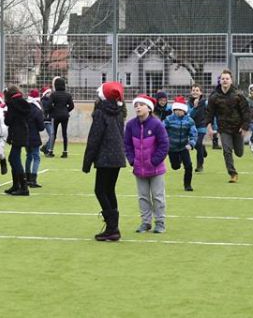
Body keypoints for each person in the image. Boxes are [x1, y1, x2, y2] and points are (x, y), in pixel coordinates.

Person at [82, 82, 126, 241]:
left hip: (105, 157)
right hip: (117, 156)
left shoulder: (101, 113)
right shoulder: (120, 111)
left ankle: (112, 228)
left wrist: (87, 161)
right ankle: (113, 227)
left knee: (100, 190)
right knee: (109, 190)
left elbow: (95, 137)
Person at [124, 94, 169, 234]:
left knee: (157, 196)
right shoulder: (131, 125)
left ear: (149, 108)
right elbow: (127, 145)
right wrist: (132, 160)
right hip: (139, 168)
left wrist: (154, 161)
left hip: (156, 169)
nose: (137, 107)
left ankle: (160, 222)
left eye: (141, 105)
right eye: (136, 105)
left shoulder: (157, 124)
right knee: (143, 197)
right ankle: (145, 222)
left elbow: (164, 144)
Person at [207, 69, 251, 183]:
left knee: (239, 153)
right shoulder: (214, 96)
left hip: (238, 127)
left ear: (231, 81)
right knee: (226, 150)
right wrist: (209, 127)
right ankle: (233, 173)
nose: (225, 81)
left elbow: (246, 112)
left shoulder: (238, 95)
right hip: (223, 128)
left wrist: (245, 127)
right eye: (223, 79)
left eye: (227, 79)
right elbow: (209, 113)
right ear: (220, 81)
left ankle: (239, 146)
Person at [2, 86, 31, 196]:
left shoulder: (12, 104)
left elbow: (8, 121)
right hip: (22, 132)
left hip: (16, 133)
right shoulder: (22, 102)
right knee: (14, 158)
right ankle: (16, 185)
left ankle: (23, 187)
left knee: (14, 159)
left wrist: (6, 115)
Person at [164, 96, 197, 191]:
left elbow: (193, 134)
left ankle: (187, 185)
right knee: (175, 167)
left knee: (189, 166)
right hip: (171, 148)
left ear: (184, 111)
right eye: (176, 110)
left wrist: (191, 144)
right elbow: (161, 130)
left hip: (184, 147)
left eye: (180, 110)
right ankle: (177, 161)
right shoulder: (168, 120)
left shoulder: (189, 121)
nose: (178, 111)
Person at [47, 76, 75, 158]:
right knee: (64, 133)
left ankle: (50, 151)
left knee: (53, 134)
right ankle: (65, 151)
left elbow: (49, 105)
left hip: (55, 115)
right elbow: (72, 106)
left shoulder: (53, 94)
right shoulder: (67, 95)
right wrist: (66, 110)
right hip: (65, 115)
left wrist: (52, 110)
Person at [25, 89, 47, 188]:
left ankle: (27, 177)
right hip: (34, 137)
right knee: (36, 157)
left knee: (28, 156)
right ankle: (33, 179)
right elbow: (41, 127)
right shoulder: (37, 111)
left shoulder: (24, 109)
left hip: (25, 136)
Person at [187, 84, 209, 172]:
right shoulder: (188, 104)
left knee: (198, 143)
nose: (195, 92)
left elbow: (211, 113)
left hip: (202, 126)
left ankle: (200, 166)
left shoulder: (205, 102)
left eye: (197, 90)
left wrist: (213, 126)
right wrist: (195, 107)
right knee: (198, 145)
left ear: (201, 92)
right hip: (192, 127)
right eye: (193, 90)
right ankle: (203, 150)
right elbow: (189, 116)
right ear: (191, 92)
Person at [40, 86, 54, 157]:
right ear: (45, 94)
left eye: (50, 93)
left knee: (53, 136)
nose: (50, 94)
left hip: (51, 120)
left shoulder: (50, 100)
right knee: (52, 135)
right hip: (46, 120)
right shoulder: (44, 101)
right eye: (48, 93)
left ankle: (45, 147)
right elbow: (47, 108)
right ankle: (47, 149)